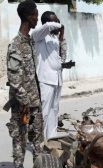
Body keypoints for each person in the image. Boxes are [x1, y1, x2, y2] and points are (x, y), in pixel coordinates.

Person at [5, 0, 43, 168]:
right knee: (20, 137)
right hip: (23, 103)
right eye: (35, 14)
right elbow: (14, 79)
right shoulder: (16, 45)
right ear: (28, 17)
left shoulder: (31, 42)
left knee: (38, 138)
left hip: (35, 100)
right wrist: (24, 101)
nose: (37, 18)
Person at [32, 11, 67, 140]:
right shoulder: (39, 36)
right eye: (55, 21)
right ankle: (40, 141)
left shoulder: (55, 39)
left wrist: (62, 34)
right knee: (44, 113)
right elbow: (47, 26)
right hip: (45, 79)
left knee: (54, 110)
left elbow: (63, 56)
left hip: (57, 79)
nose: (57, 24)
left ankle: (51, 138)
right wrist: (59, 24)